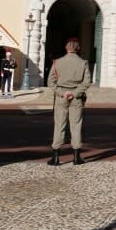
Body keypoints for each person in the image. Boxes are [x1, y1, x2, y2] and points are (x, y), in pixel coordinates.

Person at [47, 36, 91, 165]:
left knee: (59, 125)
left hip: (62, 96)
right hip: (76, 97)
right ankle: (76, 157)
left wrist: (62, 93)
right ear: (78, 48)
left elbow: (51, 82)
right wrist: (75, 93)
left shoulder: (57, 62)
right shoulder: (83, 63)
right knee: (76, 125)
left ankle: (56, 157)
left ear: (66, 47)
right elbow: (87, 82)